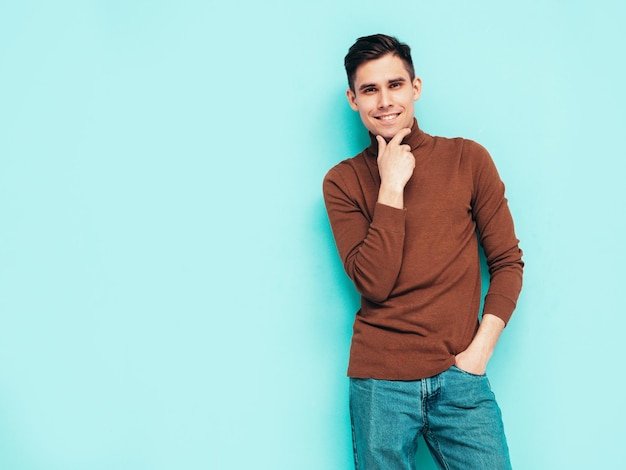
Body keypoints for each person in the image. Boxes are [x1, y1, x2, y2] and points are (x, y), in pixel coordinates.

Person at [322, 34, 524, 470]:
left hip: (460, 377)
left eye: (395, 85)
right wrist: (391, 186)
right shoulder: (342, 182)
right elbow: (374, 283)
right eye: (369, 90)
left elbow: (507, 262)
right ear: (353, 100)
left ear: (415, 87)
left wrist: (479, 354)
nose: (384, 101)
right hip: (380, 384)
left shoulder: (468, 160)